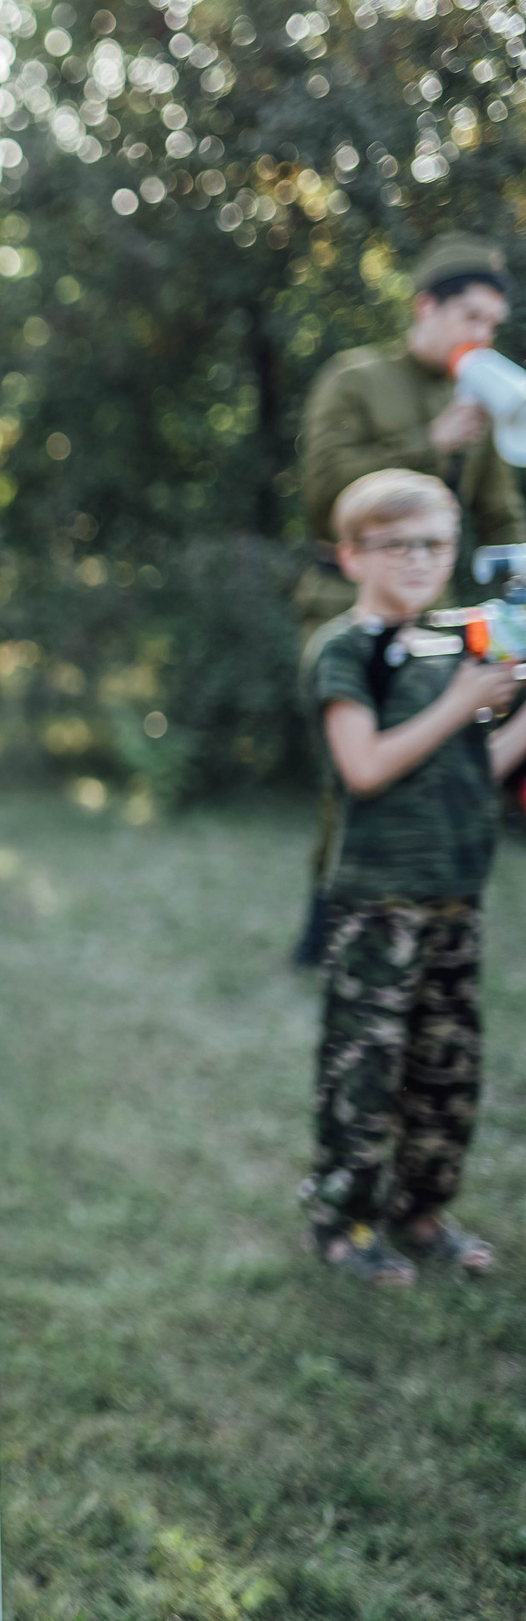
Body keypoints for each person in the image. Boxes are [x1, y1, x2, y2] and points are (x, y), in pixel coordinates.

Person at [300, 467, 526, 1286]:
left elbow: (483, 767)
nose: (421, 561)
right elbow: (362, 766)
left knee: (446, 1070)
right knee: (366, 1073)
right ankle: (343, 1218)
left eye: (435, 544)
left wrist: (511, 708)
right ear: (353, 555)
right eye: (396, 545)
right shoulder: (347, 648)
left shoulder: (458, 648)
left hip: (456, 894)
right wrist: (464, 701)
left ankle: (421, 1210)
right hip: (376, 902)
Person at [290, 234, 521, 964]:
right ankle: (330, 918)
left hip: (437, 607)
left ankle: (426, 913)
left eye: (493, 325)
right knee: (354, 766)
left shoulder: (480, 400)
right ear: (428, 307)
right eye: (472, 319)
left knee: (445, 750)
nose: (483, 339)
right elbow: (327, 491)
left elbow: (496, 507)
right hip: (347, 596)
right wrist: (430, 442)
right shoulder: (356, 378)